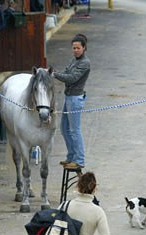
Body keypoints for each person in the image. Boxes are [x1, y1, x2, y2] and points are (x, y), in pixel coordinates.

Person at [53, 34, 90, 168]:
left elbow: (72, 78)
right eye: (73, 48)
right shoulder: (73, 60)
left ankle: (79, 160)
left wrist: (54, 74)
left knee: (75, 130)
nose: (75, 50)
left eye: (78, 48)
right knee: (64, 128)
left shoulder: (85, 63)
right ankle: (71, 156)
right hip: (68, 97)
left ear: (84, 48)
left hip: (75, 99)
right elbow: (66, 72)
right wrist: (56, 72)